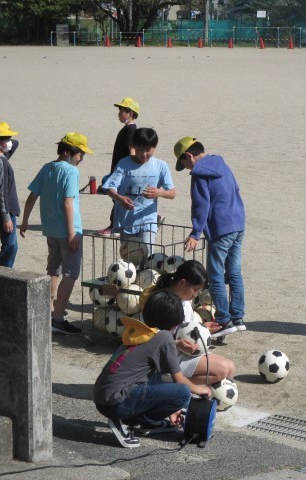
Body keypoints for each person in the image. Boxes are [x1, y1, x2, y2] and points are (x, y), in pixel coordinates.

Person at [94, 289, 211, 448]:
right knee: (183, 393)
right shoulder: (165, 337)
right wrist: (200, 389)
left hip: (103, 397)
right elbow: (180, 380)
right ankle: (127, 422)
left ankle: (148, 422)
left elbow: (153, 350)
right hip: (116, 403)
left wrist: (175, 344)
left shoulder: (141, 331)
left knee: (157, 375)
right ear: (175, 322)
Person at [20, 132, 94, 335]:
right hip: (68, 230)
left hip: (50, 229)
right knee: (70, 273)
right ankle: (58, 318)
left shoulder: (47, 168)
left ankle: (49, 310)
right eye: (80, 154)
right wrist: (71, 234)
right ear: (70, 152)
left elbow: (32, 197)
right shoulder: (71, 171)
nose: (82, 158)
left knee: (53, 270)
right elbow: (68, 203)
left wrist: (25, 221)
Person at [174, 137, 246, 339]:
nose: (187, 169)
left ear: (188, 155)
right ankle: (238, 317)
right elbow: (236, 190)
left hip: (221, 228)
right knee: (234, 272)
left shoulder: (199, 174)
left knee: (215, 276)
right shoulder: (221, 164)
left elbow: (201, 205)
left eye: (185, 164)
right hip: (238, 223)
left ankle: (224, 319)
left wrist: (196, 233)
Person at [140, 260, 236, 384]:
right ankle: (170, 382)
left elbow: (187, 327)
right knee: (222, 371)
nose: (196, 294)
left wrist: (203, 328)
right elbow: (149, 338)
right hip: (166, 355)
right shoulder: (161, 302)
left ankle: (179, 384)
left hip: (183, 351)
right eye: (195, 290)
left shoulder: (184, 301)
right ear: (182, 283)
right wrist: (176, 343)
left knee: (230, 367)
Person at [100, 127, 175, 257]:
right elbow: (109, 189)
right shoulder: (124, 164)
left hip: (148, 221)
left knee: (147, 257)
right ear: (133, 146)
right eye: (140, 149)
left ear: (154, 148)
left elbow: (172, 193)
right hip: (126, 222)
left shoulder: (161, 166)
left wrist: (159, 192)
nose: (144, 154)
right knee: (130, 258)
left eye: (148, 150)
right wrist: (119, 198)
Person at [98, 98, 139, 237]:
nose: (119, 113)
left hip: (123, 171)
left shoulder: (131, 130)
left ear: (130, 113)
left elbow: (132, 150)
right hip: (119, 170)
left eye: (121, 111)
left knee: (118, 198)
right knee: (118, 198)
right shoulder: (128, 129)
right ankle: (116, 226)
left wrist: (131, 170)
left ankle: (114, 227)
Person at [0, 122, 21, 268]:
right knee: (9, 246)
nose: (9, 142)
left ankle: (5, 272)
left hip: (7, 209)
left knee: (12, 246)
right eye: (5, 139)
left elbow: (16, 143)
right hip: (5, 211)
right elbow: (1, 191)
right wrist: (6, 217)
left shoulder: (0, 157)